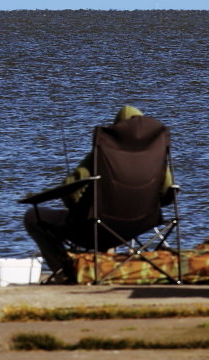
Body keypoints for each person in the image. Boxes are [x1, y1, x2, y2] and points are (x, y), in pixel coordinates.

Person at [23, 105, 175, 280]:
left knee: (32, 217)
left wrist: (80, 210)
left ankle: (65, 272)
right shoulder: (157, 156)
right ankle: (105, 265)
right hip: (141, 224)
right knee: (106, 219)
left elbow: (71, 191)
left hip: (97, 226)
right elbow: (167, 193)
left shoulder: (103, 153)